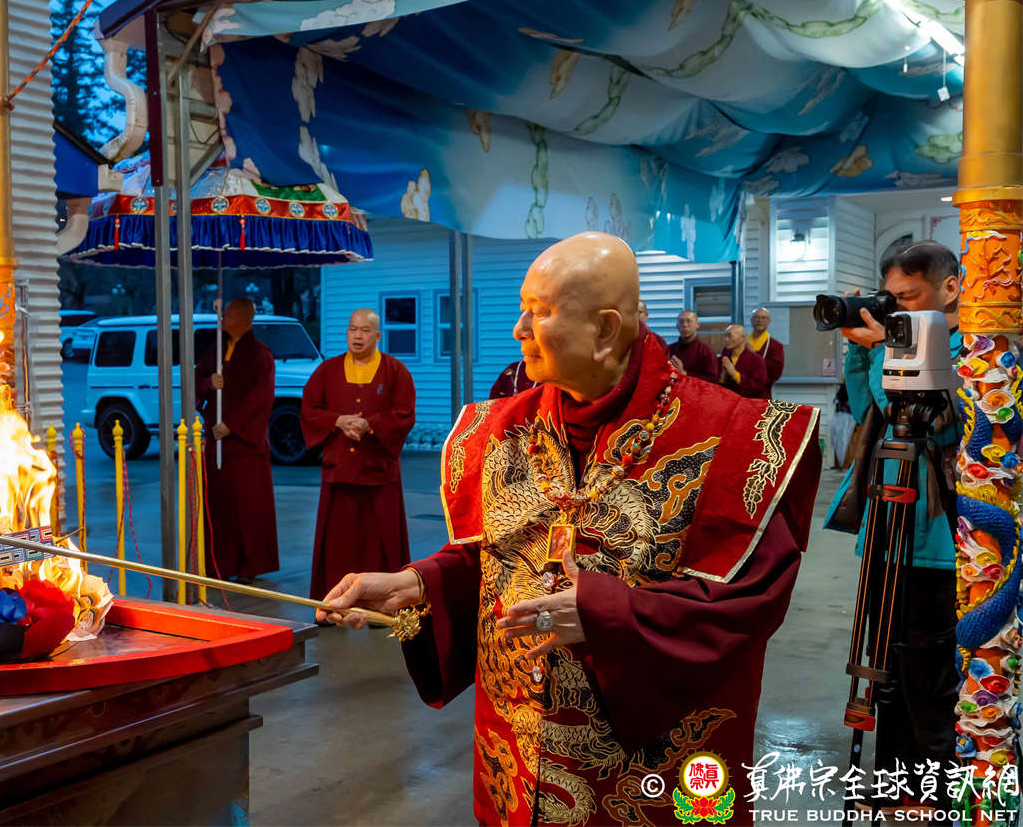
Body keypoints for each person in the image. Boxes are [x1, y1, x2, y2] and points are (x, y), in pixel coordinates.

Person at [319, 232, 821, 826]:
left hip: (645, 773)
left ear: (606, 329)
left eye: (539, 312)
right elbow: (493, 558)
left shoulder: (738, 435)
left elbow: (749, 602)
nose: (518, 330)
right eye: (522, 309)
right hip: (516, 754)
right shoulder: (497, 428)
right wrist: (418, 583)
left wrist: (607, 615)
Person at [825, 240, 961, 795]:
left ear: (950, 288)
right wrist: (860, 352)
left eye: (909, 296)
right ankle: (895, 793)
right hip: (886, 531)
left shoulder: (969, 351)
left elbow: (940, 426)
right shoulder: (896, 340)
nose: (897, 308)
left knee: (930, 680)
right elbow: (872, 412)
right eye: (891, 297)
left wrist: (888, 345)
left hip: (937, 542)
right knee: (885, 675)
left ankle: (938, 798)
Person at [301, 308, 416, 600]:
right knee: (336, 543)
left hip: (378, 472)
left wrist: (371, 425)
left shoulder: (395, 371)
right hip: (340, 470)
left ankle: (382, 603)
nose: (358, 336)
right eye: (353, 329)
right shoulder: (327, 370)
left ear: (377, 336)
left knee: (381, 542)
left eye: (365, 330)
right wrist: (338, 421)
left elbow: (404, 413)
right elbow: (310, 409)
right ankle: (333, 602)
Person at [194, 298, 279, 580]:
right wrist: (209, 383)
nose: (223, 318)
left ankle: (248, 566)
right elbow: (196, 380)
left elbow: (262, 397)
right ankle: (219, 565)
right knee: (219, 506)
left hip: (245, 446)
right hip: (217, 444)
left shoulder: (260, 354)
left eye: (229, 314)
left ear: (245, 318)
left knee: (248, 508)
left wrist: (231, 425)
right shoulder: (216, 350)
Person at [667, 309, 719, 383]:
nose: (685, 325)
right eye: (681, 321)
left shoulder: (707, 352)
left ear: (698, 325)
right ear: (677, 326)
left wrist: (685, 374)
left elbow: (713, 380)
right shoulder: (669, 350)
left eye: (689, 321)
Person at [718, 324, 767, 398]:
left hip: (747, 402)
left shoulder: (756, 360)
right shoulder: (723, 359)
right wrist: (722, 377)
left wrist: (735, 375)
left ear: (743, 338)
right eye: (725, 336)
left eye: (729, 336)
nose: (725, 339)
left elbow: (759, 386)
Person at [748, 308, 785, 399]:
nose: (760, 320)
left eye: (764, 318)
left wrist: (754, 355)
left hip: (763, 393)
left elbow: (776, 371)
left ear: (769, 322)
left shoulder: (775, 346)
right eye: (756, 317)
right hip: (742, 392)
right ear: (751, 320)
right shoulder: (742, 342)